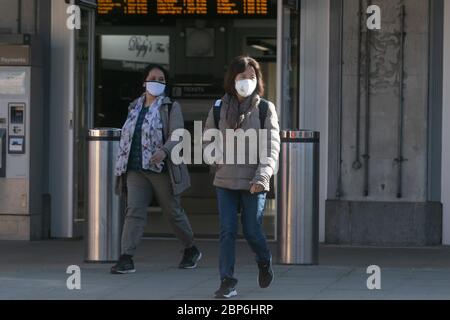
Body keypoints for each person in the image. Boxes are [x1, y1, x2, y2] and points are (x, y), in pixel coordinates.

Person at [111, 64, 201, 274]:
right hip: (134, 168)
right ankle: (126, 257)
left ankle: (191, 248)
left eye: (161, 79)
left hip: (160, 168)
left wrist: (164, 151)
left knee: (172, 212)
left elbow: (177, 134)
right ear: (144, 82)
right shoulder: (134, 106)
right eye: (153, 78)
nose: (157, 82)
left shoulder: (170, 107)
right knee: (134, 211)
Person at [203, 56, 281, 298]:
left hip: (254, 181)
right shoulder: (219, 107)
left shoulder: (265, 108)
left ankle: (264, 258)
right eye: (242, 77)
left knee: (251, 229)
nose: (247, 81)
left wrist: (263, 176)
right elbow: (208, 137)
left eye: (251, 77)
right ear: (232, 79)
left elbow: (271, 146)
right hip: (225, 180)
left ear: (257, 80)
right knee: (227, 230)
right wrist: (215, 156)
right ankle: (227, 280)